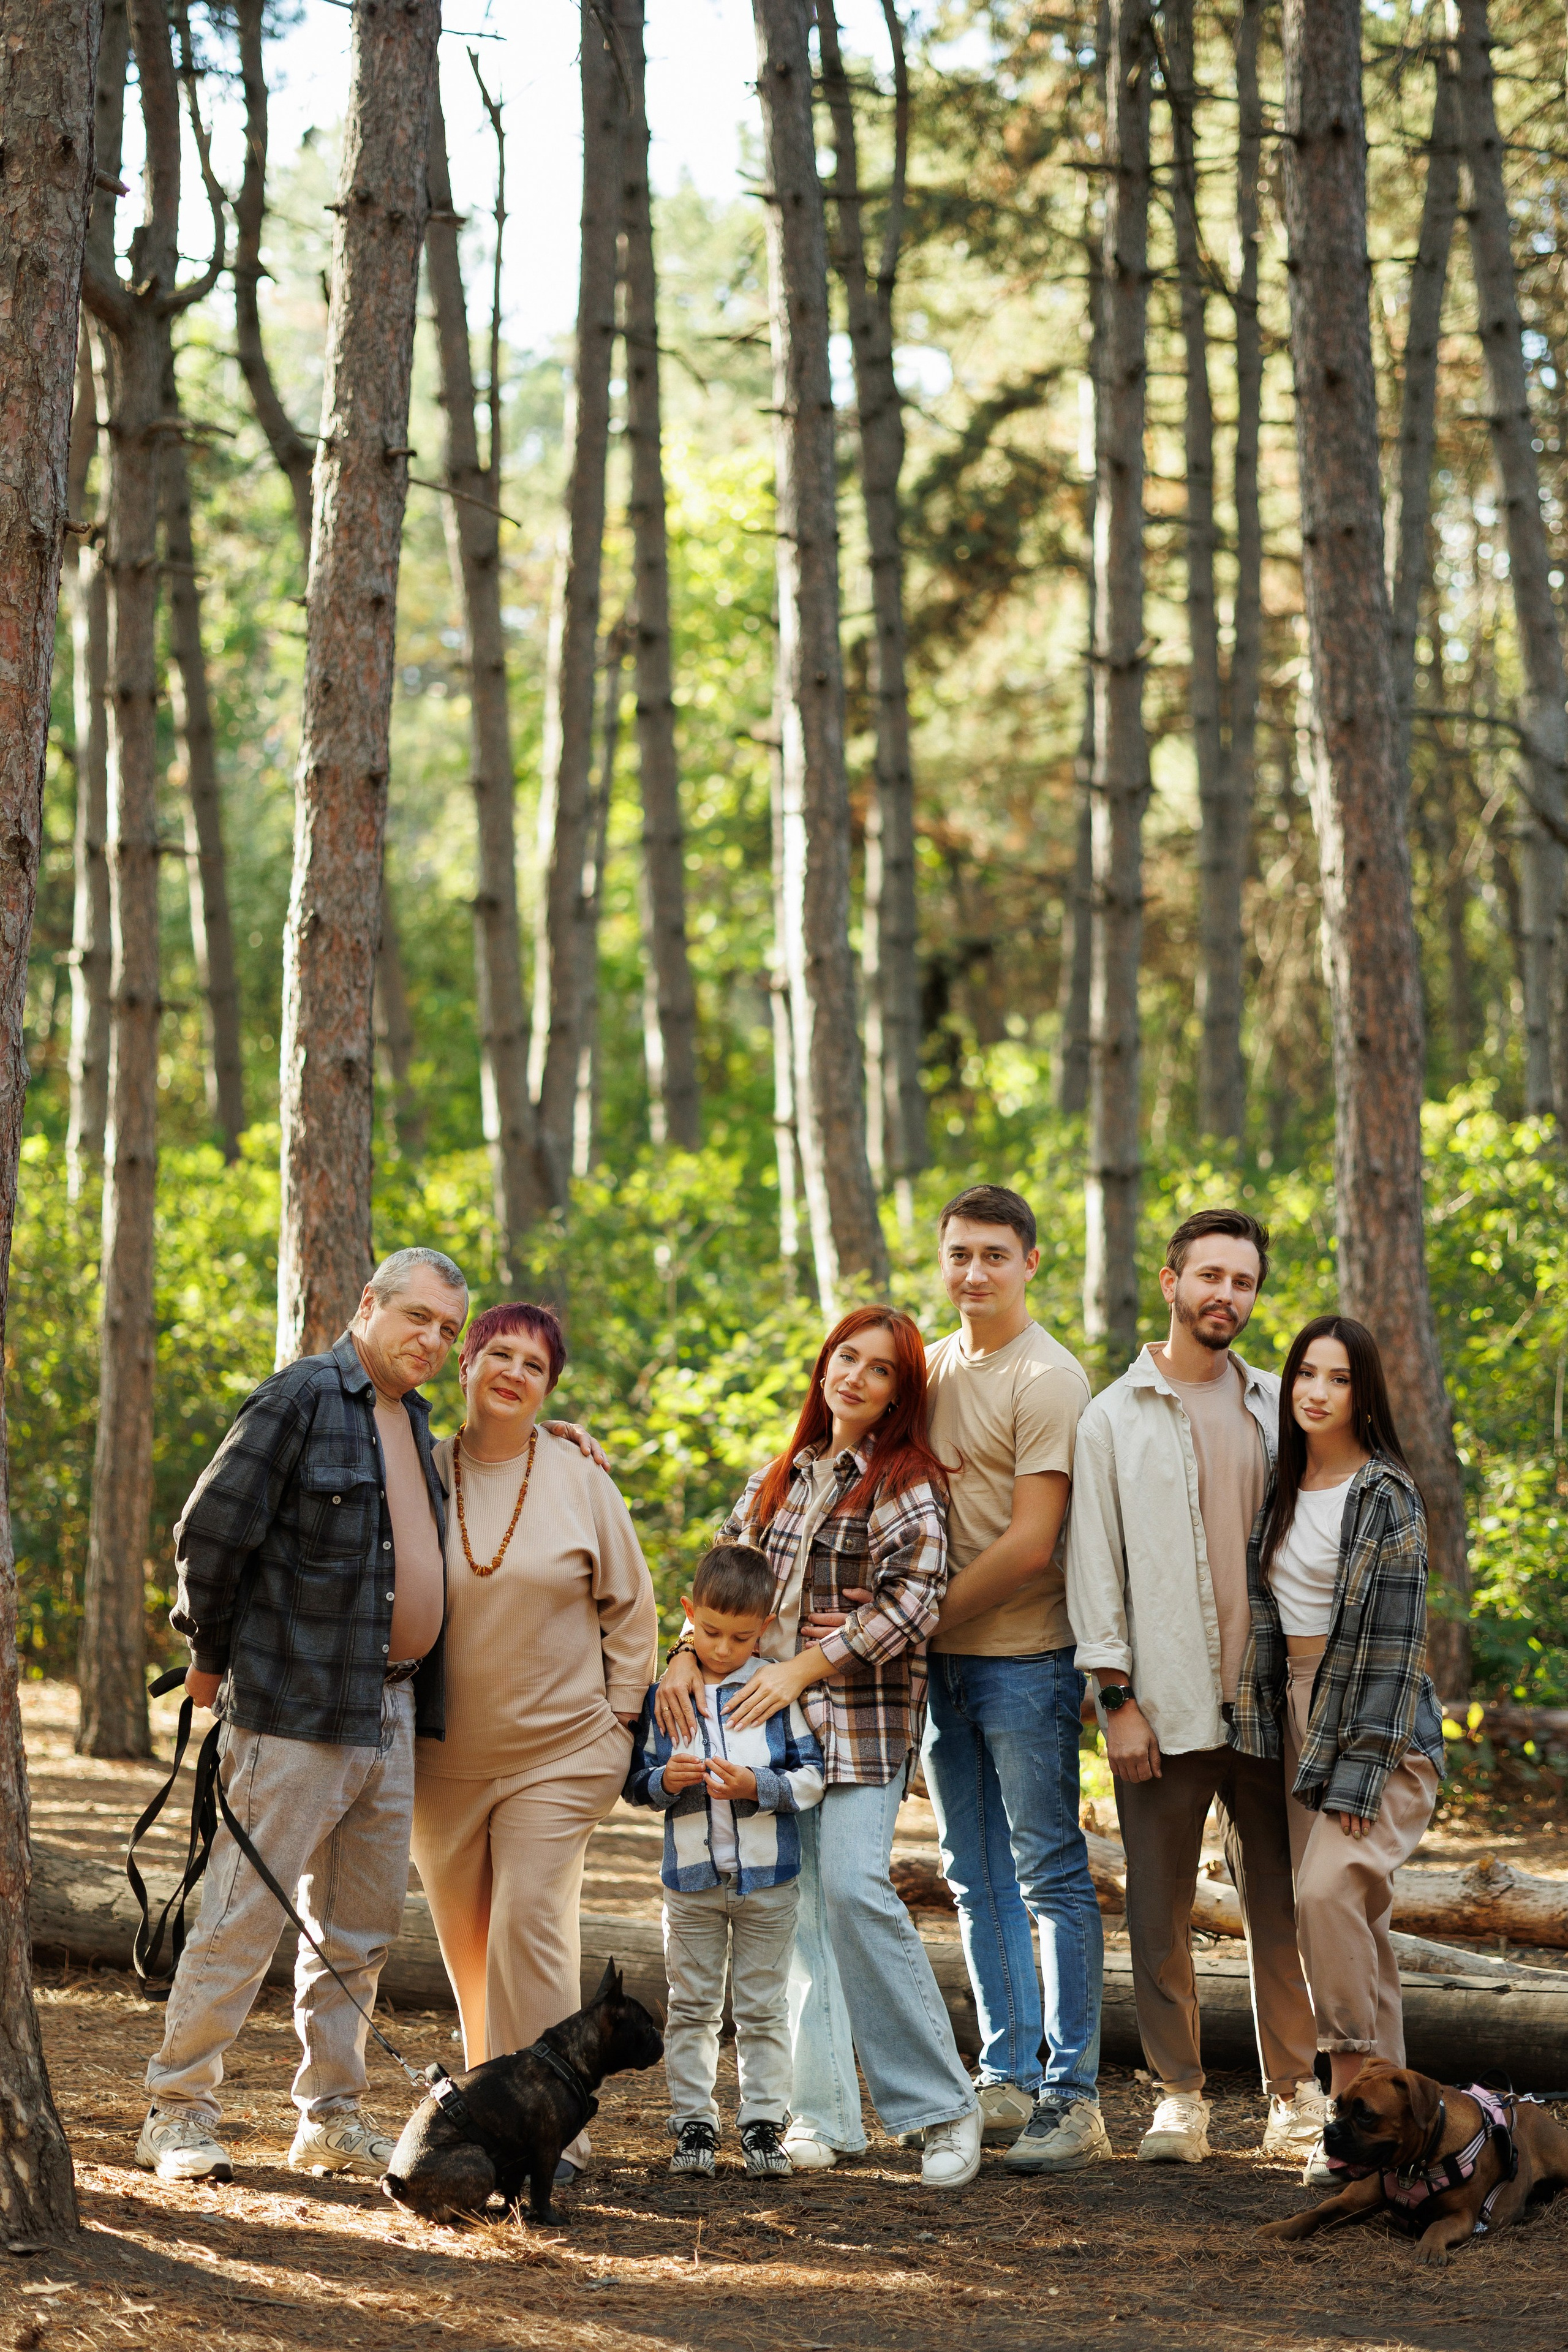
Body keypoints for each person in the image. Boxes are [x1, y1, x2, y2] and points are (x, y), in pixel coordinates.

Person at [138, 1248, 469, 2184]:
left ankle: (330, 2116)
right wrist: (209, 1655)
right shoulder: (299, 1400)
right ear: (369, 1304)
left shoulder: (416, 1422)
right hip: (293, 1707)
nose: (433, 1341)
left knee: (357, 1934)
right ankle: (177, 2111)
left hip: (395, 1707)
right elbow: (210, 1531)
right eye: (419, 1318)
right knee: (242, 1916)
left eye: (448, 1329)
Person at [655, 1307, 983, 2188]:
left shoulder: (905, 1481)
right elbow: (723, 1571)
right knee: (795, 1922)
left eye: (880, 1370)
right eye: (847, 1359)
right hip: (768, 1739)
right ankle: (825, 2116)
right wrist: (686, 1654)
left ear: (899, 1391)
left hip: (861, 1728)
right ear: (825, 1366)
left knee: (852, 1891)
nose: (857, 1377)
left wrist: (810, 1659)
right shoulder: (783, 1476)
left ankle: (944, 2111)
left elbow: (915, 1602)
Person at [1065, 1209, 1324, 2166]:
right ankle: (1180, 2097)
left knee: (1282, 1901)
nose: (1226, 1295)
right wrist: (1113, 1696)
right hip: (1160, 1707)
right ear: (1170, 1281)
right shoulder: (1112, 1415)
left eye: (1244, 1281)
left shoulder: (1277, 1404)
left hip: (1269, 1702)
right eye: (1209, 1275)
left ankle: (1294, 2094)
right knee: (1159, 1907)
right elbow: (1093, 1564)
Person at [411, 1300, 657, 2183]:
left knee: (528, 1922)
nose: (514, 1373)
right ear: (466, 1364)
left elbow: (632, 1604)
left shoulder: (578, 1475)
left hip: (562, 1748)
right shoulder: (418, 1466)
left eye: (535, 1367)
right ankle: (500, 2119)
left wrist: (622, 1716)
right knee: (470, 1944)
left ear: (551, 1389)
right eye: (498, 1355)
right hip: (439, 1761)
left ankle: (564, 2134)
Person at [918, 1185, 1109, 2173]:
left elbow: (1034, 1543)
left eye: (995, 1254)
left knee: (1047, 1873)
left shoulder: (1048, 1378)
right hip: (942, 1670)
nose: (975, 1273)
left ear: (1031, 1261)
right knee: (970, 1873)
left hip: (1027, 1663)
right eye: (960, 1254)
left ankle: (1074, 2095)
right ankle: (1006, 2074)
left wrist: (913, 1621)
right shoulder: (935, 1364)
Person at [1229, 1314, 1444, 2179]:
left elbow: (1396, 1650)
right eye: (1305, 1375)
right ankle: (1401, 2136)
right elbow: (1273, 1624)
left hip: (1376, 1723)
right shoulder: (1283, 1479)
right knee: (1356, 1920)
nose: (1316, 1392)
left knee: (1325, 1894)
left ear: (1365, 1393)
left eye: (1339, 1378)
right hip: (1295, 1712)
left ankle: (1350, 2098)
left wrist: (1360, 1774)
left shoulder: (1385, 1494)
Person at [625, 1542, 824, 2179]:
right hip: (690, 1884)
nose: (720, 1649)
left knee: (763, 2005)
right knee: (691, 2005)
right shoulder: (666, 1697)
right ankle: (693, 2123)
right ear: (688, 1614)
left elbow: (813, 1778)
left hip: (769, 1881)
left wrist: (756, 1787)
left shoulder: (773, 1690)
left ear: (763, 1629)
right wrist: (667, 1780)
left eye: (740, 1638)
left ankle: (765, 2122)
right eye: (709, 1632)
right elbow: (635, 1784)